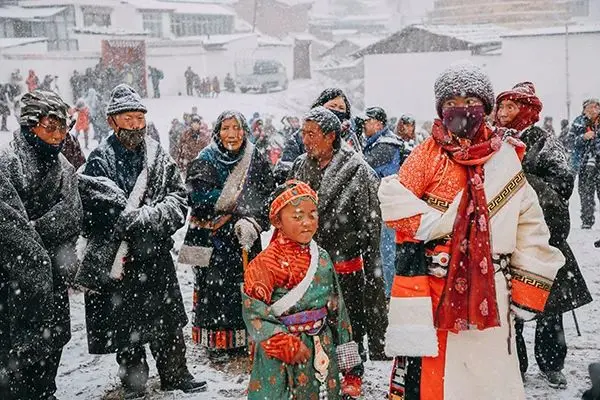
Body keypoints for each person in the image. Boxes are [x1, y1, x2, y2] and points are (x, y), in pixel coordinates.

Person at [379, 61, 563, 400]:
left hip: (492, 292)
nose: (461, 109)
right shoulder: (426, 154)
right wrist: (442, 226)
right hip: (437, 291)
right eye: (451, 103)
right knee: (439, 384)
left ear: (486, 107)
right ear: (440, 109)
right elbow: (394, 200)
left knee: (489, 383)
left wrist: (527, 291)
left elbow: (531, 228)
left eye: (470, 101)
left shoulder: (506, 158)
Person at [76, 84, 206, 399]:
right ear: (112, 121)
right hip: (121, 258)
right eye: (128, 118)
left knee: (169, 323)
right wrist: (123, 221)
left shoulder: (157, 155)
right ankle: (133, 380)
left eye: (139, 117)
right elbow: (92, 210)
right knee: (126, 328)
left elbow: (178, 197)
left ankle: (175, 374)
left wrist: (147, 218)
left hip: (155, 254)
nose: (136, 125)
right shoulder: (98, 161)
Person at [495, 82, 592, 387]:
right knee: (512, 307)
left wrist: (523, 185)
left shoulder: (546, 142)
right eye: (501, 107)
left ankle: (552, 363)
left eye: (511, 107)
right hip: (507, 236)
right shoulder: (494, 142)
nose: (503, 113)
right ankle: (515, 363)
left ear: (527, 111)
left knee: (549, 306)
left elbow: (563, 184)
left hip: (544, 234)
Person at [243, 180, 363, 399]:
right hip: (283, 356)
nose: (307, 223)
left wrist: (350, 367)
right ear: (278, 220)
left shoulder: (323, 258)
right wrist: (283, 343)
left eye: (312, 214)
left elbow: (339, 310)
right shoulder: (264, 264)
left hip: (321, 348)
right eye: (297, 217)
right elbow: (254, 313)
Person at [0, 90, 82, 400]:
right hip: (12, 282)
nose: (58, 135)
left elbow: (71, 217)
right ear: (29, 124)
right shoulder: (7, 164)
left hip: (54, 278)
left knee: (51, 344)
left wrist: (35, 229)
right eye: (51, 126)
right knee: (13, 356)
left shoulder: (65, 170)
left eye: (63, 127)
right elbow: (8, 228)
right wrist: (35, 246)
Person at [288, 106, 388, 362]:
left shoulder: (358, 170)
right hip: (307, 265)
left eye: (312, 134)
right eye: (304, 133)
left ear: (331, 136)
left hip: (346, 265)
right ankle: (316, 370)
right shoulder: (300, 166)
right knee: (311, 323)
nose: (306, 140)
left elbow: (370, 226)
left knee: (348, 322)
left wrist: (349, 245)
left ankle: (350, 370)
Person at [178, 110, 275, 362]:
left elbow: (267, 196)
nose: (232, 134)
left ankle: (243, 338)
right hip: (210, 237)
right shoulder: (205, 159)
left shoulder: (256, 159)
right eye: (226, 128)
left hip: (244, 235)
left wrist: (253, 221)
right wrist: (240, 205)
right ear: (217, 132)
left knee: (244, 286)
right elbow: (198, 197)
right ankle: (217, 342)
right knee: (214, 290)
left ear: (246, 131)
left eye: (237, 128)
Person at [362, 106, 410, 297]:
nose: (364, 126)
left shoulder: (385, 145)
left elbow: (364, 166)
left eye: (367, 122)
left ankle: (389, 294)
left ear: (378, 124)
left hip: (388, 206)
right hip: (387, 204)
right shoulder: (384, 142)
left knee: (386, 252)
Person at [276, 88, 361, 183]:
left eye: (341, 108)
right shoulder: (300, 137)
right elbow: (286, 169)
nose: (337, 110)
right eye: (333, 106)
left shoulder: (349, 137)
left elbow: (358, 166)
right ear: (320, 107)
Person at [569, 98, 600, 229]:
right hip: (583, 163)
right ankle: (587, 221)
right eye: (592, 107)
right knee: (586, 193)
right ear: (585, 109)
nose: (595, 109)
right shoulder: (578, 122)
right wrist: (582, 137)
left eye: (597, 106)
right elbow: (569, 141)